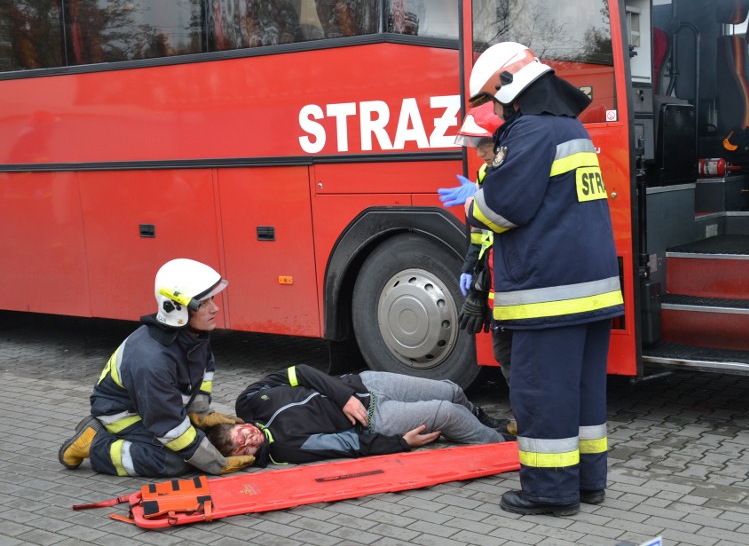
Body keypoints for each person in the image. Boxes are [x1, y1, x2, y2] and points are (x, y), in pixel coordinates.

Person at [440, 42, 625, 516]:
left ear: (508, 86)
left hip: (549, 294)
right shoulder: (569, 128)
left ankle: (548, 492)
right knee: (583, 393)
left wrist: (471, 203)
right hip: (592, 291)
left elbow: (502, 209)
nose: (495, 110)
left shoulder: (529, 132)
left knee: (542, 393)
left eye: (492, 98)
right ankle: (587, 483)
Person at [58, 258, 256, 477]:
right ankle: (94, 444)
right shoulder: (151, 360)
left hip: (154, 409)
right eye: (203, 303)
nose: (215, 308)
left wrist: (200, 414)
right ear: (177, 308)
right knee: (171, 461)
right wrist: (215, 464)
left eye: (213, 299)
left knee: (195, 443)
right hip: (123, 414)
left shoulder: (193, 336)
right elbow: (168, 427)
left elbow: (204, 374)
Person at [205, 364, 512, 465]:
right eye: (243, 449)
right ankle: (506, 447)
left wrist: (343, 396)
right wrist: (401, 444)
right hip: (377, 417)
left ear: (237, 425)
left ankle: (487, 421)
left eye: (240, 436)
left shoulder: (249, 401)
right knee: (447, 414)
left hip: (364, 383)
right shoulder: (283, 450)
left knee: (452, 390)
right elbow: (349, 445)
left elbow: (300, 372)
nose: (248, 441)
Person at [440, 107, 513, 386]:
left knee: (514, 354)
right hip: (495, 276)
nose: (480, 152)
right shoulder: (486, 172)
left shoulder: (512, 170)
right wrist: (470, 267)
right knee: (504, 352)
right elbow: (480, 231)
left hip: (510, 275)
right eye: (475, 145)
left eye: (485, 144)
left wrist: (482, 197)